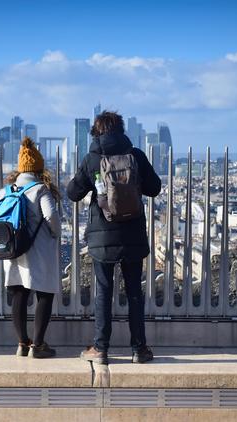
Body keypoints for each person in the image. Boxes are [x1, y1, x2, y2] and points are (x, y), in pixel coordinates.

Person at [67, 111, 161, 365]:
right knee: (134, 293)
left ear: (96, 133)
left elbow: (72, 193)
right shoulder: (136, 156)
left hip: (102, 236)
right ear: (121, 130)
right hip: (133, 234)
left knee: (103, 292)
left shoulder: (92, 159)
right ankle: (139, 349)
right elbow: (155, 188)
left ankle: (101, 349)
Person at [2, 137, 61, 358]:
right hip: (40, 251)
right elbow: (52, 217)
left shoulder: (6, 191)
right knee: (44, 294)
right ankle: (38, 345)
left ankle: (21, 343)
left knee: (19, 293)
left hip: (14, 251)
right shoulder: (40, 190)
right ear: (38, 168)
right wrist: (55, 233)